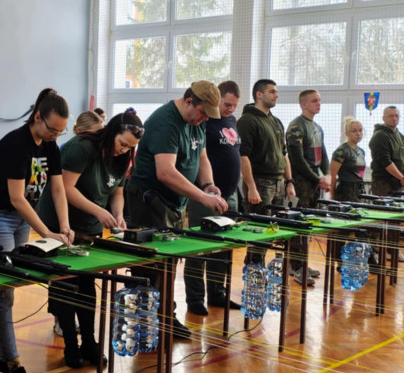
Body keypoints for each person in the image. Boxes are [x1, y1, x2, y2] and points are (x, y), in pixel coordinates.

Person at [0, 88, 73, 373]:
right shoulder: (13, 145)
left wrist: (65, 226)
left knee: (7, 289)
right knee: (3, 291)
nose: (56, 135)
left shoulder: (51, 146)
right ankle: (12, 363)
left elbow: (58, 190)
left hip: (20, 218)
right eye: (52, 128)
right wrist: (46, 232)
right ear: (37, 118)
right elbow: (17, 198)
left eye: (61, 130)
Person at [36, 112, 142, 367]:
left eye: (130, 147)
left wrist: (117, 214)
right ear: (111, 132)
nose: (124, 150)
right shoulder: (82, 148)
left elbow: (117, 193)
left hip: (90, 225)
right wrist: (98, 210)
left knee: (86, 283)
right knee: (65, 283)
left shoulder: (123, 157)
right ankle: (70, 344)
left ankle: (89, 343)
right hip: (60, 223)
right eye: (122, 143)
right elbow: (64, 189)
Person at [125, 81, 228, 339]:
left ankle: (165, 318)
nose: (204, 119)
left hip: (173, 204)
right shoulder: (165, 121)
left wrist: (209, 184)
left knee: (169, 265)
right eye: (203, 113)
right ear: (189, 101)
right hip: (149, 202)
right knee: (151, 268)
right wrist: (203, 198)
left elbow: (202, 157)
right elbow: (166, 172)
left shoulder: (197, 121)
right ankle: (146, 323)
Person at [183, 81, 242, 314]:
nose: (230, 109)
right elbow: (199, 157)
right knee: (200, 247)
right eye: (227, 104)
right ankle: (195, 299)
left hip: (229, 194)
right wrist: (206, 187)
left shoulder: (231, 121)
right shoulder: (203, 121)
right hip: (204, 195)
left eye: (234, 106)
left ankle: (218, 293)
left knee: (224, 247)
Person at [235, 79, 297, 268]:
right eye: (272, 91)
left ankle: (264, 269)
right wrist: (252, 187)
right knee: (258, 231)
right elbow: (243, 156)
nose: (276, 95)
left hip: (278, 182)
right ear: (259, 94)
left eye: (276, 92)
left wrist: (290, 181)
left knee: (274, 230)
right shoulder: (247, 121)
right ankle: (254, 269)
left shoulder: (276, 121)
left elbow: (283, 154)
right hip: (260, 183)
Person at [286, 89, 330, 285]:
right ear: (303, 104)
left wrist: (327, 175)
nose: (318, 104)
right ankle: (296, 267)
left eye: (319, 100)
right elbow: (298, 160)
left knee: (309, 225)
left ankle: (303, 263)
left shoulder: (317, 128)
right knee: (298, 225)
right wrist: (317, 178)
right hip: (300, 184)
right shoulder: (296, 126)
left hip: (314, 184)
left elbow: (324, 156)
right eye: (314, 101)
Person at [369, 105, 404, 197]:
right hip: (383, 184)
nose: (394, 118)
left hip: (398, 183)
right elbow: (386, 161)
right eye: (391, 116)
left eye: (397, 116)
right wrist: (402, 178)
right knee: (385, 210)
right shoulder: (380, 136)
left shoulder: (401, 137)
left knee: (399, 210)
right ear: (384, 118)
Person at [330, 117, 366, 202]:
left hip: (359, 190)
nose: (358, 134)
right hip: (345, 192)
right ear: (347, 133)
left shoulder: (361, 151)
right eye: (354, 131)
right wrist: (331, 195)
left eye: (360, 130)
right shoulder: (342, 151)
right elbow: (333, 175)